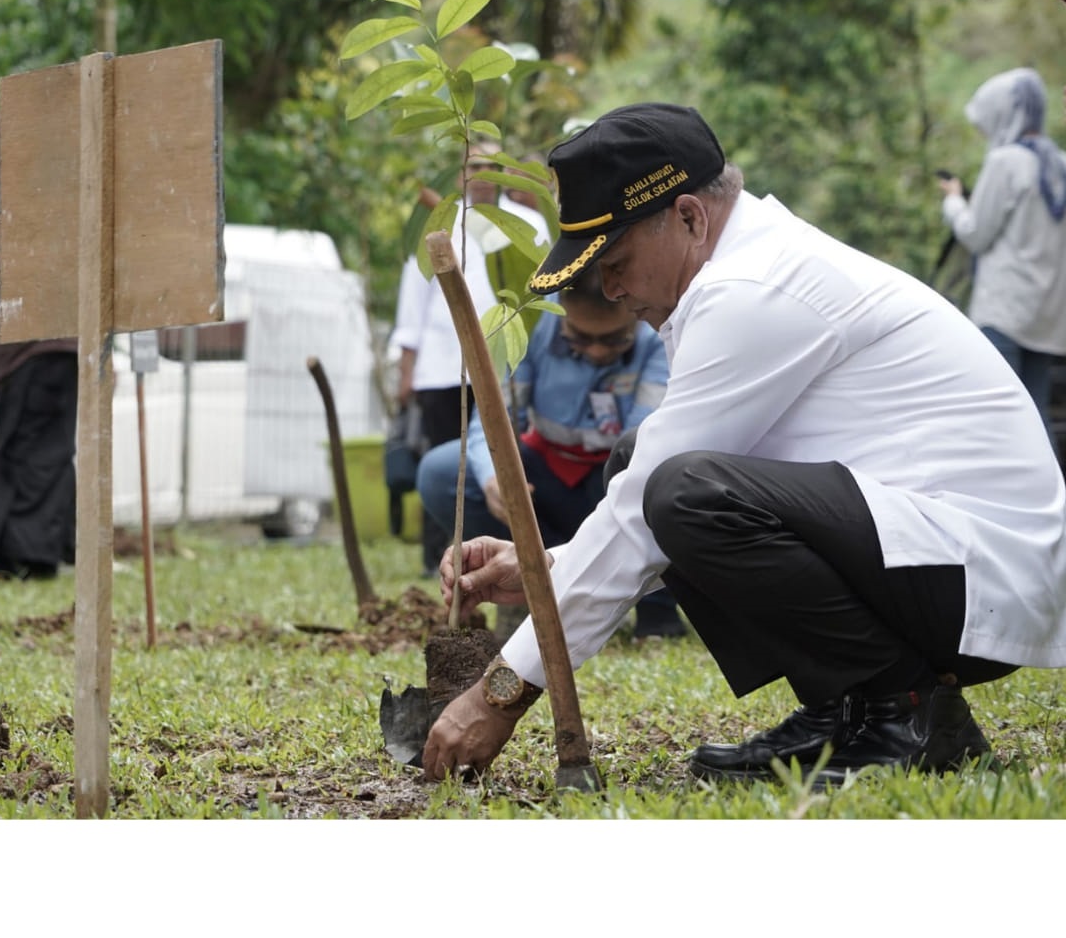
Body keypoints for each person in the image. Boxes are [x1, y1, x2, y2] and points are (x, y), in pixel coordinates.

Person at [420, 102, 1066, 785]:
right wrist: (546, 569)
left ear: (690, 218)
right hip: (940, 556)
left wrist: (500, 693)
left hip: (979, 574)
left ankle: (901, 715)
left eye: (617, 261)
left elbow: (645, 515)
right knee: (648, 462)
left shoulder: (755, 289)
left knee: (681, 489)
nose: (610, 289)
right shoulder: (748, 269)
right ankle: (849, 707)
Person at [415, 264, 685, 640]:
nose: (596, 351)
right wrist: (494, 477)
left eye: (613, 340)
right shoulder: (532, 324)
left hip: (616, 481)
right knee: (442, 472)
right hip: (548, 479)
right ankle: (537, 578)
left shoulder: (656, 333)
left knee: (659, 478)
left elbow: (645, 442)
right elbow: (491, 421)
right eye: (580, 338)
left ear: (632, 311)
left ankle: (655, 611)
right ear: (561, 311)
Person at [389, 144, 547, 576]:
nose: (482, 174)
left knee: (501, 457)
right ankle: (437, 558)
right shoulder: (439, 224)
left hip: (506, 363)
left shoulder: (528, 225)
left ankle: (505, 552)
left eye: (492, 167)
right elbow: (413, 302)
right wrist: (406, 370)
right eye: (475, 165)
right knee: (445, 460)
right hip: (443, 367)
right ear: (462, 173)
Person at [939, 67, 1066, 451]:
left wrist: (954, 202)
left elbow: (975, 234)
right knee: (1035, 412)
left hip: (1004, 310)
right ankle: (1053, 488)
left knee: (999, 415)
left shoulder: (1005, 161)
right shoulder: (1059, 163)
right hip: (1046, 313)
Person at [0, 112, 78, 580]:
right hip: (58, 347)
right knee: (47, 449)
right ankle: (36, 553)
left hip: (33, 350)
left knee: (23, 446)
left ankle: (16, 555)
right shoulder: (51, 198)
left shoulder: (16, 208)